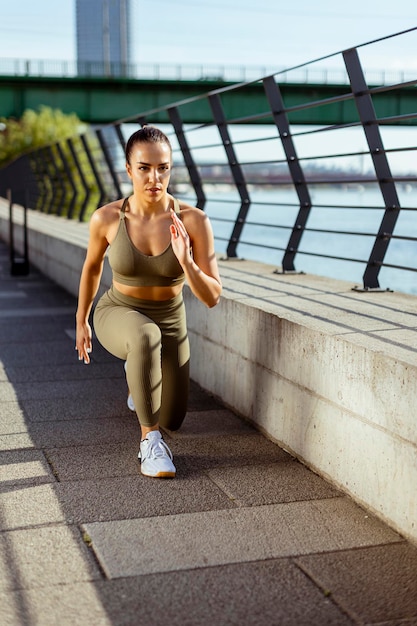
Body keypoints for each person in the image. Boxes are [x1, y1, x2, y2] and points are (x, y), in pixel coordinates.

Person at [75, 125, 222, 479]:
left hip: (171, 318)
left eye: (163, 168)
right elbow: (92, 266)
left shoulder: (195, 221)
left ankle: (139, 382)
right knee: (145, 337)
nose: (154, 177)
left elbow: (213, 297)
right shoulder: (107, 218)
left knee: (174, 418)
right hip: (118, 311)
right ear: (129, 170)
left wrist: (186, 262)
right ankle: (149, 442)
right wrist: (81, 318)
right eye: (144, 168)